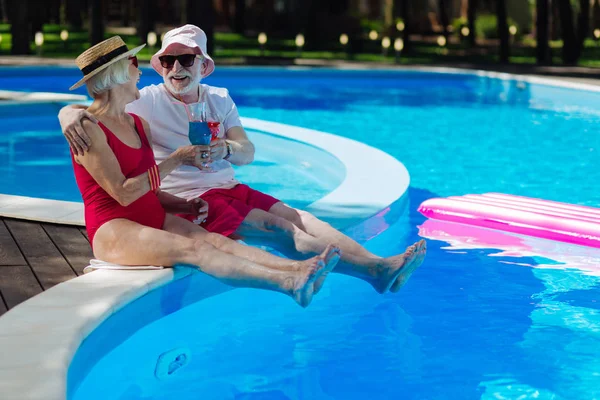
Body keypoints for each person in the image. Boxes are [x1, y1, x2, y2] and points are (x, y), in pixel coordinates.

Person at [59, 25, 427, 294]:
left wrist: (226, 150)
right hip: (176, 204)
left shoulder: (208, 100)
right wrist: (67, 113)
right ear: (126, 72)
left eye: (184, 59)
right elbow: (97, 115)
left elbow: (246, 151)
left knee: (300, 217)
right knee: (274, 230)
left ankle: (364, 268)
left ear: (203, 64)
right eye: (165, 60)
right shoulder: (148, 101)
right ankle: (312, 275)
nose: (172, 68)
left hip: (211, 191)